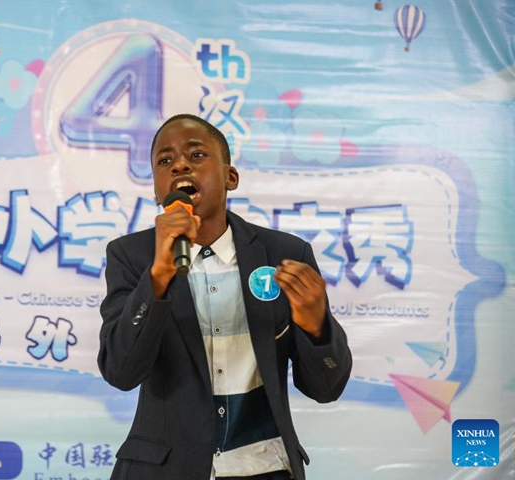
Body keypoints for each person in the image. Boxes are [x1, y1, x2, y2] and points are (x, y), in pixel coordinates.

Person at [97, 114, 352, 480]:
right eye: (165, 161)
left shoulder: (285, 253)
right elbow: (120, 371)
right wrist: (158, 277)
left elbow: (325, 389)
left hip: (266, 467)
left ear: (230, 176)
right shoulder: (132, 256)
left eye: (196, 155)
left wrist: (317, 329)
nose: (180, 164)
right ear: (156, 189)